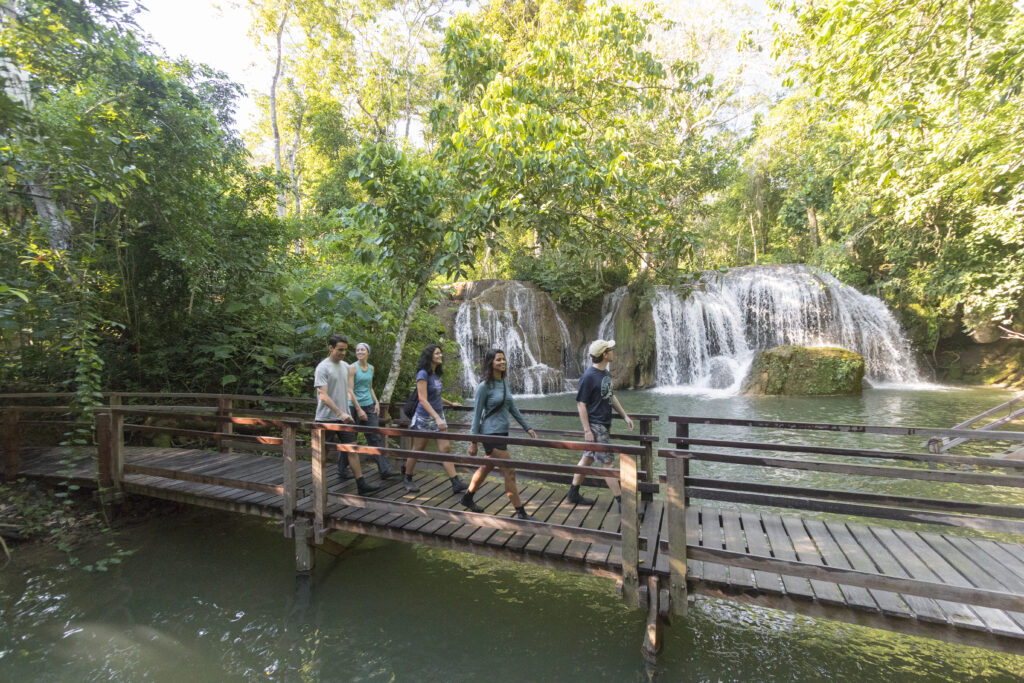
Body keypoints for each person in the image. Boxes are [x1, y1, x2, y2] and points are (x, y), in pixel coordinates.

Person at [461, 349, 538, 520]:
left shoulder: (504, 382)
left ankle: (467, 497)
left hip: (502, 433)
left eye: (503, 359)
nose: (502, 362)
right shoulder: (483, 387)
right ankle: (521, 512)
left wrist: (527, 427)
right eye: (498, 360)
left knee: (487, 466)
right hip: (489, 435)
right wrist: (473, 442)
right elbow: (476, 416)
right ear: (490, 363)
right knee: (509, 470)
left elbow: (512, 407)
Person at [568, 339, 633, 510]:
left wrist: (625, 416)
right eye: (610, 349)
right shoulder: (588, 377)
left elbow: (611, 396)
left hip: (603, 424)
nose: (613, 351)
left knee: (588, 459)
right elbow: (581, 404)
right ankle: (622, 503)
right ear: (604, 354)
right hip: (596, 426)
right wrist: (587, 430)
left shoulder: (605, 373)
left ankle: (573, 493)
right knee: (608, 464)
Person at [314, 334, 379, 495]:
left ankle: (361, 484)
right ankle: (318, 485)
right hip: (325, 418)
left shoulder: (345, 367)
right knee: (323, 452)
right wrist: (339, 412)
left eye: (345, 350)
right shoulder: (323, 367)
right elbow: (323, 395)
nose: (343, 353)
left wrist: (353, 410)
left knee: (352, 449)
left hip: (344, 417)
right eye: (340, 349)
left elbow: (351, 390)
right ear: (331, 348)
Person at [402, 344, 468, 495]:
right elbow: (422, 399)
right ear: (429, 355)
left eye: (441, 353)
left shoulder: (435, 374)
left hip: (438, 416)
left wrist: (450, 403)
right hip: (425, 417)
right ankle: (408, 478)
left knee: (445, 449)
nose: (441, 356)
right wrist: (437, 417)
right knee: (418, 450)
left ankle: (455, 482)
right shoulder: (423, 374)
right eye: (437, 353)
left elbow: (435, 394)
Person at [338, 342, 398, 480]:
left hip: (369, 405)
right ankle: (341, 470)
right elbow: (349, 390)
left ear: (368, 352)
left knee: (375, 437)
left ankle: (385, 470)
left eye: (362, 350)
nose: (359, 352)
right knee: (349, 439)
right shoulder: (352, 368)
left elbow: (369, 387)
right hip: (353, 406)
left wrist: (376, 402)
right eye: (357, 350)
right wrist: (358, 409)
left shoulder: (371, 368)